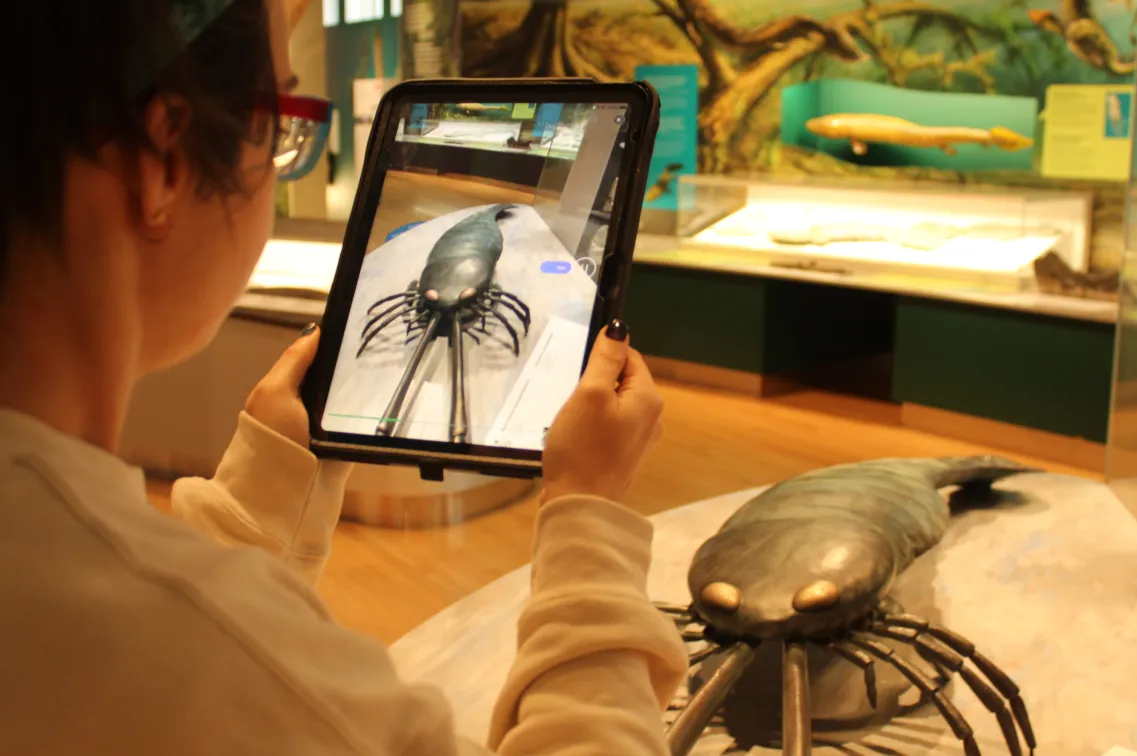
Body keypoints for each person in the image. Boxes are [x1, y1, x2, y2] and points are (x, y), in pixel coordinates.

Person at [0, 0, 688, 753]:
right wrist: (587, 515)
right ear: (164, 161)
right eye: (283, 120)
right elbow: (204, 642)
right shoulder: (231, 680)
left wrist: (260, 505)